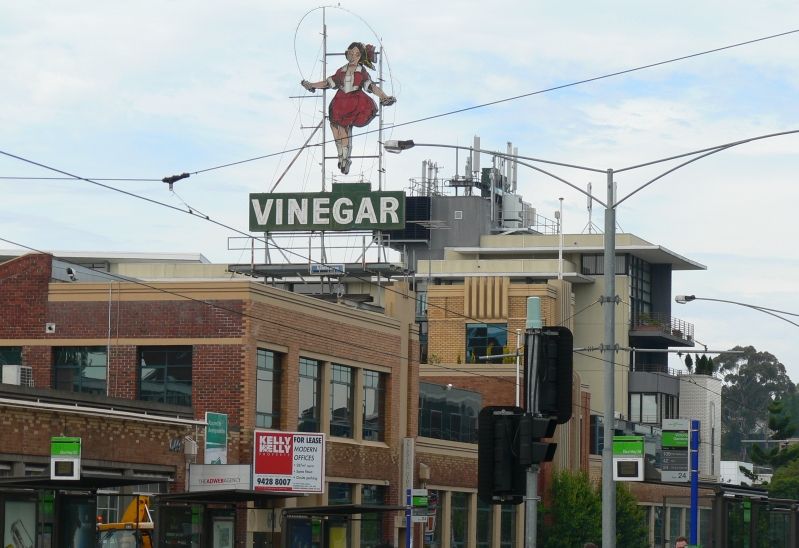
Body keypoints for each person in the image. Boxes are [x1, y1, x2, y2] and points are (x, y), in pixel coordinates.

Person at [301, 41, 396, 174]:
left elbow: (371, 86)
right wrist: (311, 85)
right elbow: (328, 83)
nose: (353, 56)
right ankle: (341, 156)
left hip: (354, 101)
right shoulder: (341, 70)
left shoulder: (361, 71)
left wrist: (384, 96)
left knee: (343, 128)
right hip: (340, 101)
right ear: (347, 54)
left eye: (356, 54)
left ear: (360, 56)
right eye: (350, 53)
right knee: (334, 128)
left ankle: (345, 159)